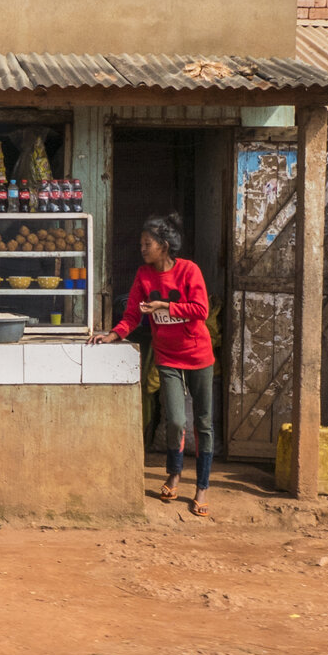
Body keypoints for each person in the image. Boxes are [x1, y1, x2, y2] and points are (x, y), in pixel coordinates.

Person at [93, 214, 217, 517]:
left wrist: (164, 306)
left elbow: (201, 310)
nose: (142, 249)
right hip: (167, 357)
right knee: (176, 421)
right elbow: (133, 315)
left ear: (164, 245)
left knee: (203, 423)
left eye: (146, 244)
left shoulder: (189, 270)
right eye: (141, 244)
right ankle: (174, 473)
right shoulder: (144, 275)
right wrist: (113, 334)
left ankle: (202, 485)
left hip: (199, 355)